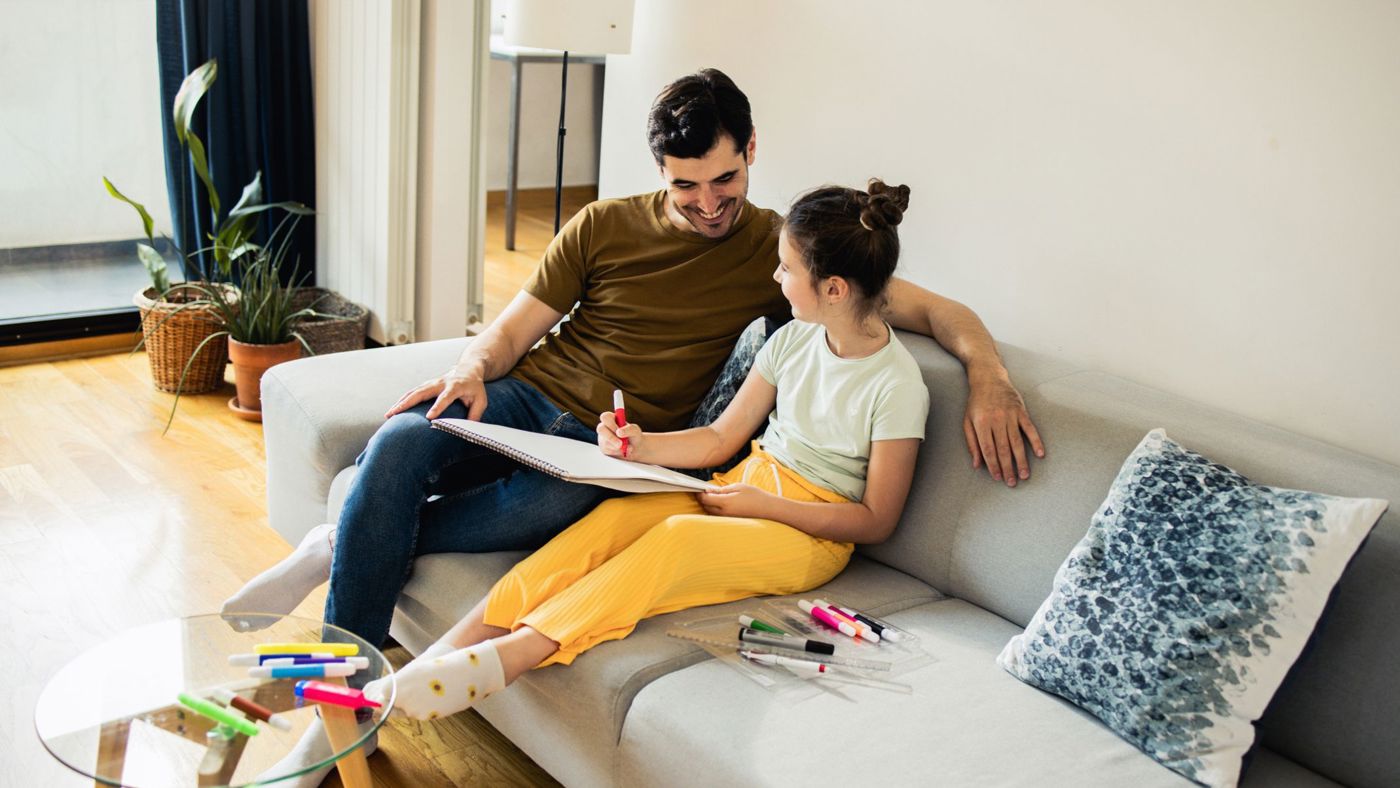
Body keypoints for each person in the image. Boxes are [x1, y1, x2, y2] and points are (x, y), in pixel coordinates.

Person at [238, 69, 1042, 785]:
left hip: (603, 448)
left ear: (752, 150)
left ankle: (355, 597)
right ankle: (339, 686)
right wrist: (471, 371)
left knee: (558, 510)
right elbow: (514, 332)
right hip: (531, 396)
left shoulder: (787, 250)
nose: (708, 205)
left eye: (724, 180)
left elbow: (931, 312)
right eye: (687, 187)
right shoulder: (606, 226)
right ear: (661, 171)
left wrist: (990, 376)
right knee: (398, 445)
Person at [366, 177, 928, 723]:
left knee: (675, 541)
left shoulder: (897, 386)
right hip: (742, 484)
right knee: (613, 519)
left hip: (810, 531)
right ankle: (442, 656)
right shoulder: (792, 339)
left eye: (787, 268)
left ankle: (510, 658)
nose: (776, 276)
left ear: (833, 288)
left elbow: (875, 520)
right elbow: (720, 438)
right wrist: (638, 447)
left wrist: (763, 506)